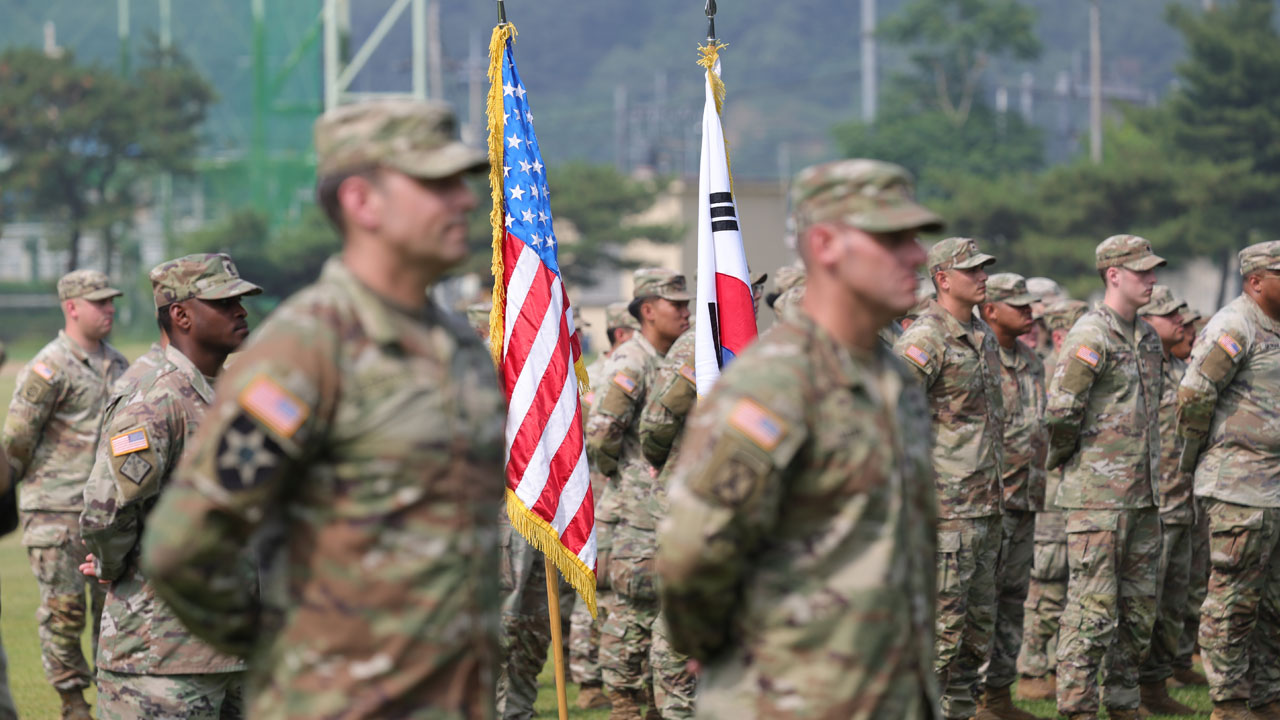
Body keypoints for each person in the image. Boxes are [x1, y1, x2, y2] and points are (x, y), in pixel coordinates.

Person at [139, 98, 506, 719]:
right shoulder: (306, 351)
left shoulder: (459, 348)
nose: (466, 201)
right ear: (362, 202)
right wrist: (291, 655)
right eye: (436, 184)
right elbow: (183, 546)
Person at [658, 158, 944, 718]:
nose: (916, 256)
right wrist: (717, 646)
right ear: (826, 245)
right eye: (892, 238)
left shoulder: (892, 380)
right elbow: (694, 551)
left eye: (915, 237)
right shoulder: (775, 384)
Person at [79, 254, 262, 719]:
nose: (241, 311)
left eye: (240, 301)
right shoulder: (153, 396)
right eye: (225, 303)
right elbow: (107, 512)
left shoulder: (232, 387)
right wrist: (109, 565)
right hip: (162, 660)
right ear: (181, 314)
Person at [1045, 234, 1166, 720]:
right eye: (1142, 272)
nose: (1152, 279)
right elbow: (1060, 412)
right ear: (1113, 275)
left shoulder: (1149, 336)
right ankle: (1076, 708)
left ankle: (1123, 703)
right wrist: (1081, 464)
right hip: (1098, 497)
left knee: (1137, 613)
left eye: (1154, 270)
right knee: (1091, 612)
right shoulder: (1090, 334)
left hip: (1143, 496)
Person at [2, 268, 129, 720]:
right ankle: (73, 705)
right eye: (99, 301)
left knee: (116, 614)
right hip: (55, 512)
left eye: (111, 300)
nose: (109, 307)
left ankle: (116, 700)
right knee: (64, 613)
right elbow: (15, 442)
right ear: (71, 307)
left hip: (108, 516)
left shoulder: (120, 365)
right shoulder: (48, 367)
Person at [895, 236, 1004, 720]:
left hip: (984, 507)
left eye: (984, 269)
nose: (983, 277)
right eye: (972, 270)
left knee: (974, 640)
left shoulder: (980, 334)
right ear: (942, 278)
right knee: (938, 639)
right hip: (943, 514)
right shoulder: (926, 338)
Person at [1177, 240, 1280, 720]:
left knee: (1273, 605)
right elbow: (1195, 393)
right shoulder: (1234, 325)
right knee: (1233, 601)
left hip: (1274, 489)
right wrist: (1203, 453)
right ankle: (1230, 702)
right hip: (1240, 488)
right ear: (1256, 281)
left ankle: (1266, 696)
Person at [586, 267, 690, 720]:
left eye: (688, 304)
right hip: (637, 511)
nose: (686, 312)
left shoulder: (677, 356)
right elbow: (602, 433)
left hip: (668, 509)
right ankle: (625, 703)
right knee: (633, 613)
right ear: (647, 311)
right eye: (677, 305)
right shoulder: (633, 360)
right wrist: (628, 477)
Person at [975, 274, 1047, 720]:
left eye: (1029, 304)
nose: (1029, 311)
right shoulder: (977, 357)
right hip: (986, 502)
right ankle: (968, 698)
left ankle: (999, 697)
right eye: (1017, 304)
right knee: (977, 602)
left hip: (1024, 501)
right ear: (990, 311)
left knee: (1013, 600)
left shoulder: (1032, 360)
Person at [1130, 286, 1198, 716]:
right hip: (1149, 506)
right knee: (1140, 607)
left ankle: (1155, 689)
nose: (1181, 323)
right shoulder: (1142, 367)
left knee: (1172, 606)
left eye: (1183, 316)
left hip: (1181, 504)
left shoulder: (1180, 369)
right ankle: (1124, 690)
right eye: (1169, 315)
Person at [1016, 298, 1087, 701]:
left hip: (1078, 493)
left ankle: (1061, 667)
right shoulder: (1044, 372)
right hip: (1052, 494)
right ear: (1060, 334)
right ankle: (1031, 670)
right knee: (1046, 581)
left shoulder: (1078, 369)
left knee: (1074, 582)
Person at [570, 300, 640, 711]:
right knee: (591, 582)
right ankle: (587, 675)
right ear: (620, 333)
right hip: (598, 489)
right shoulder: (594, 376)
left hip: (630, 495)